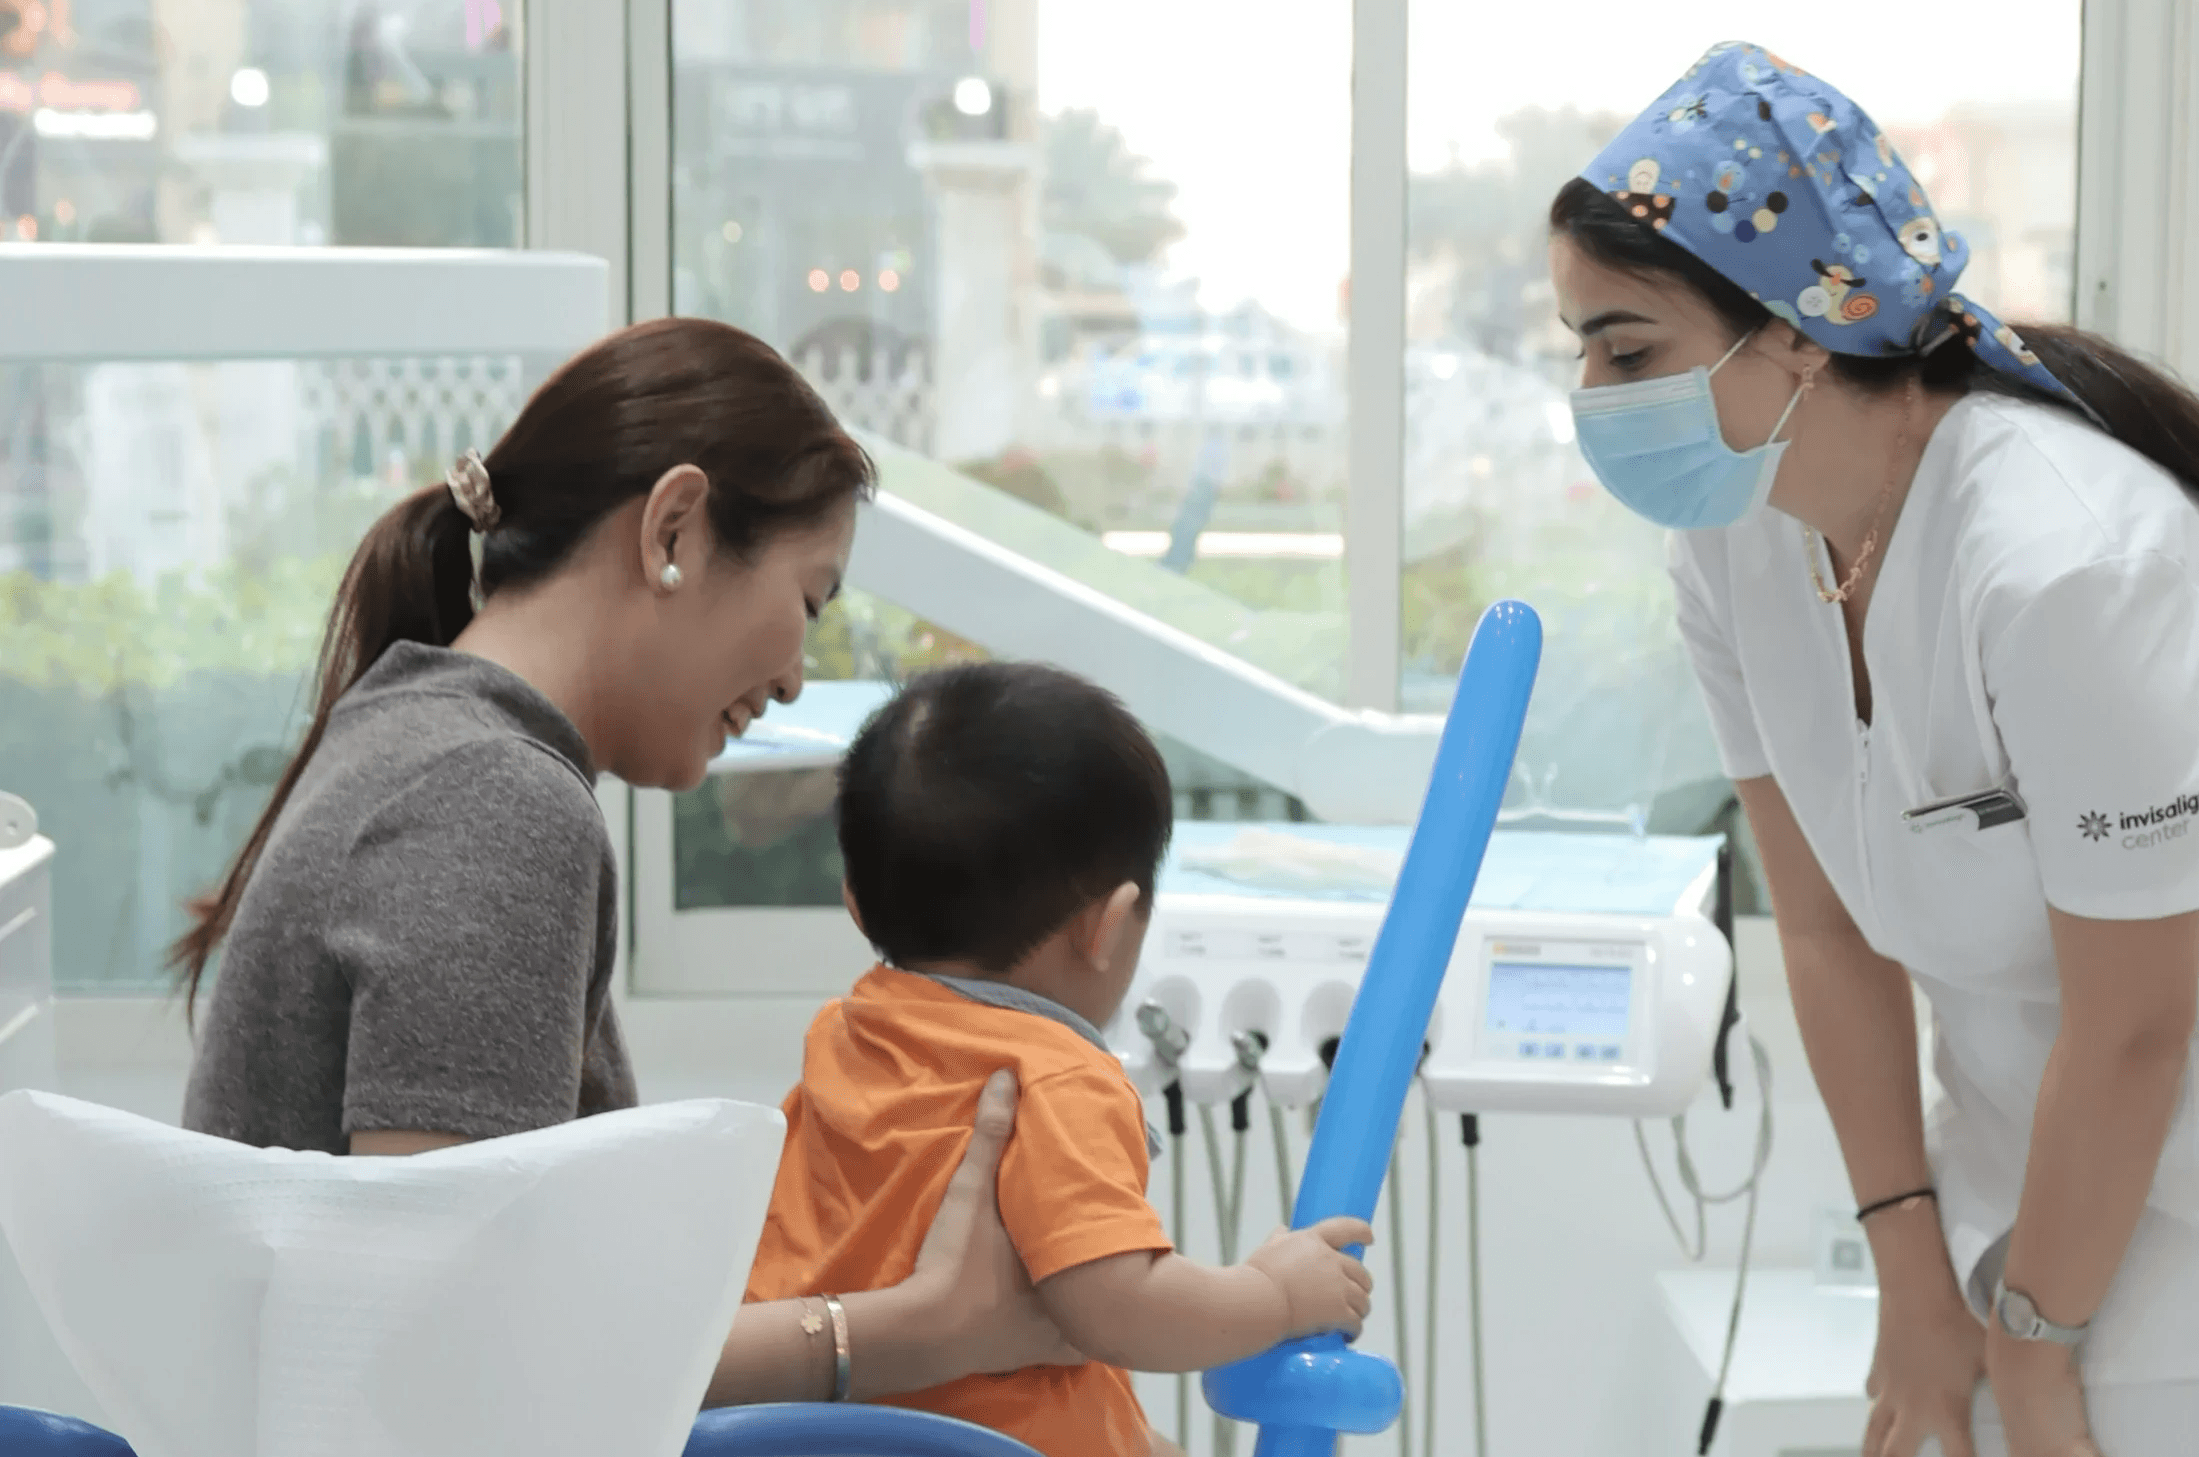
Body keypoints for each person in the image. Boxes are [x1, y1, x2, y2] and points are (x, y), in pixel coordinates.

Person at [1551, 45, 2199, 1457]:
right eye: (1575, 347)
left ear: (1801, 331)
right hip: (2036, 1152)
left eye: (1628, 350)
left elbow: (2136, 1023)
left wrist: (2034, 1344)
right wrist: (1914, 1280)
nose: (1591, 393)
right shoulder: (1737, 548)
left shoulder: (2066, 562)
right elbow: (1822, 932)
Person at [172, 316, 1078, 1406]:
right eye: (807, 602)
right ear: (675, 530)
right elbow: (449, 1357)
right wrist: (903, 1331)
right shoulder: (491, 801)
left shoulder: (417, 734)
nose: (796, 676)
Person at [746, 661, 1375, 1457]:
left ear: (856, 901)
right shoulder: (1056, 1074)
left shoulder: (847, 1033)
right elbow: (1116, 1303)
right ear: (1107, 925)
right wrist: (1273, 1296)